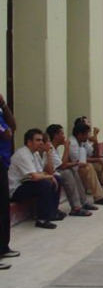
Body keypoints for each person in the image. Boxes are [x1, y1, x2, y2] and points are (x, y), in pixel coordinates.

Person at [9, 129, 61, 229]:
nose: (41, 142)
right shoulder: (23, 154)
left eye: (41, 140)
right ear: (29, 142)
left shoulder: (35, 153)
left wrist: (48, 153)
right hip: (16, 190)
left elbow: (44, 172)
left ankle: (53, 212)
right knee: (45, 184)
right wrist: (49, 177)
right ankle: (42, 219)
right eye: (38, 140)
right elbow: (35, 176)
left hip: (27, 183)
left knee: (57, 178)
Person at [45, 125, 94, 216]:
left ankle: (83, 202)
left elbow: (62, 164)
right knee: (66, 173)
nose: (64, 136)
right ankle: (76, 208)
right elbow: (62, 165)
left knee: (72, 170)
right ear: (55, 136)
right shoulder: (50, 148)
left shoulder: (54, 148)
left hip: (55, 171)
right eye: (62, 134)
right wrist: (67, 147)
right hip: (49, 173)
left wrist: (76, 163)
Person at [70, 122, 103, 205]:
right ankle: (99, 197)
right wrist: (97, 159)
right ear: (80, 134)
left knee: (100, 164)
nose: (88, 136)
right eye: (87, 134)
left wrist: (95, 141)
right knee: (90, 166)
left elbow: (94, 155)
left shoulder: (83, 141)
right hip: (76, 169)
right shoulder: (72, 143)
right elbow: (79, 161)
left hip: (83, 165)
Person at [0, 94, 18, 264]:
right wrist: (7, 131)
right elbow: (6, 134)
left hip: (3, 162)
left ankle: (3, 247)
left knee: (3, 208)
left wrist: (4, 106)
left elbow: (12, 127)